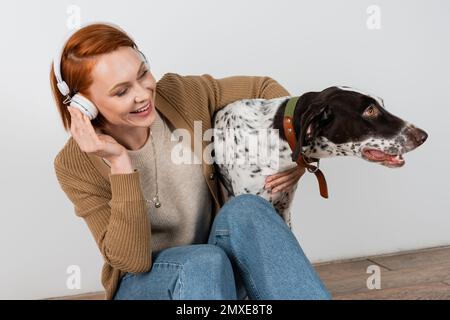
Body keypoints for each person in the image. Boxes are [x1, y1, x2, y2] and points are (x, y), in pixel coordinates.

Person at [50, 22, 331, 300]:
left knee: (247, 209)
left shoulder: (182, 95)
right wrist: (120, 164)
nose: (143, 93)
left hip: (218, 273)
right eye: (121, 91)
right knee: (203, 261)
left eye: (143, 73)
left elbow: (264, 88)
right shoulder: (74, 165)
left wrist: (298, 151)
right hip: (148, 286)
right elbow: (132, 261)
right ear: (82, 105)